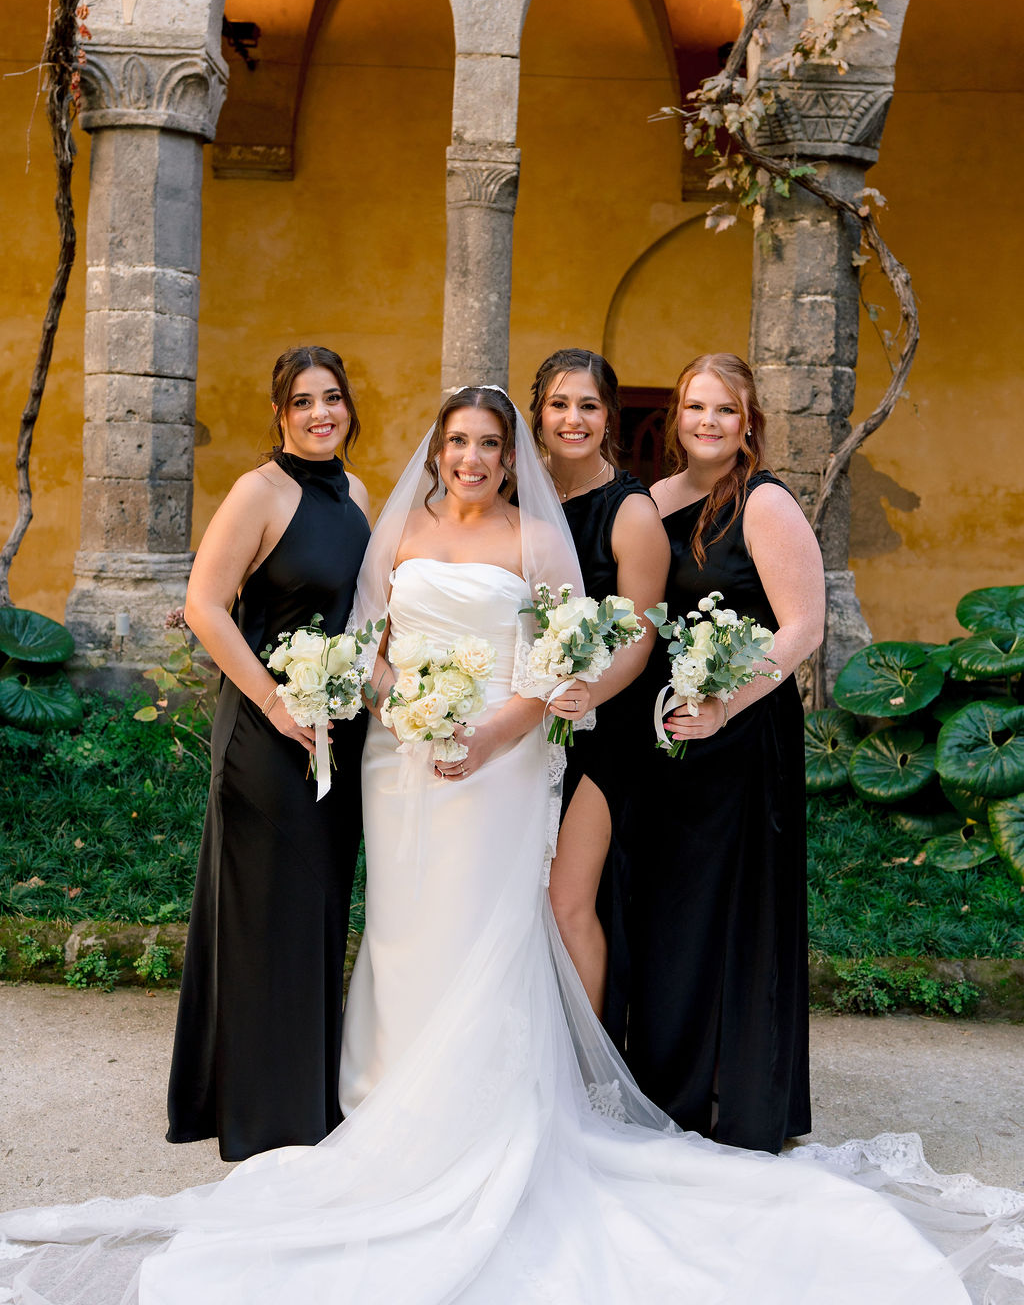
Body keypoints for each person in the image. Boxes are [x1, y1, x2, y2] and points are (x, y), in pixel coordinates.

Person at [1, 386, 1020, 1304]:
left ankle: (489, 1115)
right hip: (403, 762)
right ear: (437, 450)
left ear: (506, 453)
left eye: (489, 443)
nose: (472, 458)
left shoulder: (541, 539)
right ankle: (387, 1099)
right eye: (458, 442)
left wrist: (490, 728)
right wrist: (407, 714)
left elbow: (576, 651)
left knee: (488, 924)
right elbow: (368, 641)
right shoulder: (391, 525)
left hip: (502, 754)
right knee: (403, 929)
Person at [165, 345, 370, 1161]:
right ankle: (258, 1113)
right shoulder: (259, 491)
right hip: (265, 732)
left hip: (336, 734)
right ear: (280, 413)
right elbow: (205, 606)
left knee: (315, 913)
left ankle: (307, 1097)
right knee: (262, 917)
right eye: (303, 401)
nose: (321, 413)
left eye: (333, 398)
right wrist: (278, 704)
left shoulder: (356, 493)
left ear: (349, 407)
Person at [624, 352, 821, 1155]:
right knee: (667, 910)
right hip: (665, 735)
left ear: (749, 424)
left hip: (741, 735)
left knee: (732, 907)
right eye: (695, 407)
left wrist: (723, 705)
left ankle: (732, 1094)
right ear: (676, 415)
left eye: (725, 411)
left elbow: (801, 628)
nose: (708, 422)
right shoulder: (653, 501)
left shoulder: (765, 504)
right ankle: (665, 1086)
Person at [529, 349, 669, 1033]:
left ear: (609, 415)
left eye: (588, 405)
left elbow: (642, 637)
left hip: (604, 732)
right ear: (539, 413)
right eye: (560, 404)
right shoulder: (514, 499)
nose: (573, 419)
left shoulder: (631, 511)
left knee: (566, 901)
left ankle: (588, 1070)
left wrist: (589, 693)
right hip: (524, 723)